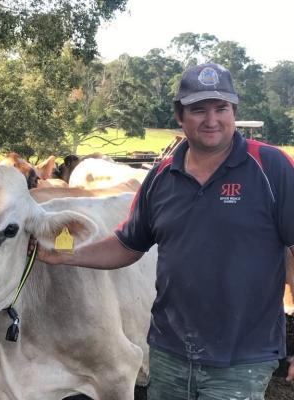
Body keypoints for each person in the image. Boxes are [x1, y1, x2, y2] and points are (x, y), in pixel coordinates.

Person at [34, 62, 294, 399]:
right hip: (169, 352)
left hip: (240, 359)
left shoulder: (271, 168)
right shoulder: (160, 178)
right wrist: (66, 256)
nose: (211, 120)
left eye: (221, 108)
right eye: (199, 109)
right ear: (179, 116)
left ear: (234, 111)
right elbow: (128, 244)